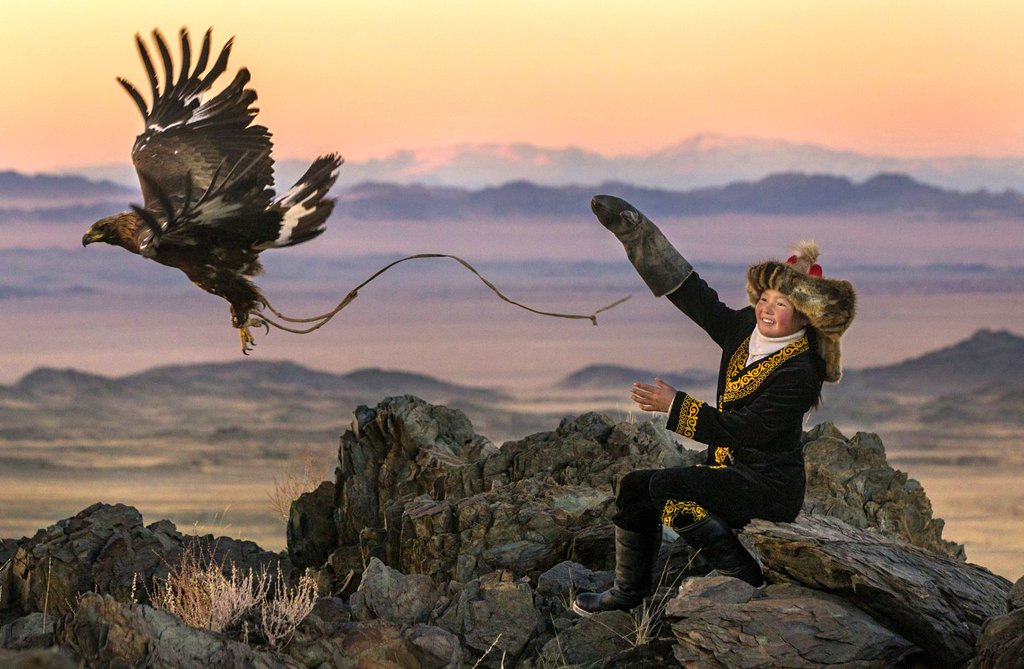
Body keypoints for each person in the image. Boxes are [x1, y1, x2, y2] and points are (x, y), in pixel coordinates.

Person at [573, 195, 856, 616]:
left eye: (782, 304)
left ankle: (744, 576)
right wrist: (636, 233)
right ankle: (628, 593)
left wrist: (676, 407)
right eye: (765, 298)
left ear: (804, 316)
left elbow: (748, 429)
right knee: (634, 487)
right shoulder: (744, 328)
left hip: (768, 488)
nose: (767, 310)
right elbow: (695, 296)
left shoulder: (801, 370)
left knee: (667, 488)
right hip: (728, 473)